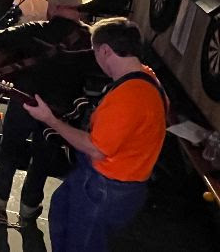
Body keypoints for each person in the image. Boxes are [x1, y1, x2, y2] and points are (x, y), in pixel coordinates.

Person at [25, 18, 166, 252]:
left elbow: (96, 148)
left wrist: (50, 119)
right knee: (61, 210)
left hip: (106, 188)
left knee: (81, 244)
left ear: (106, 51)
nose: (95, 58)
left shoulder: (129, 97)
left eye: (95, 52)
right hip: (119, 183)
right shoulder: (148, 77)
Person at [0, 0, 101, 228]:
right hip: (62, 112)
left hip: (26, 102)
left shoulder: (35, 31)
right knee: (43, 156)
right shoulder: (92, 41)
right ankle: (29, 208)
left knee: (10, 148)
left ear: (54, 5)